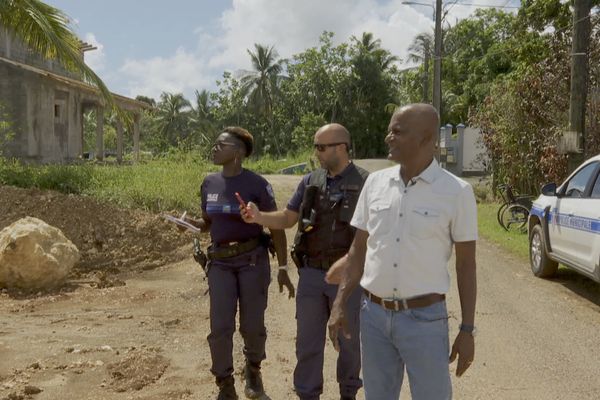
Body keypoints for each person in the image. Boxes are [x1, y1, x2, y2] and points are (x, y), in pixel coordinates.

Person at [328, 104, 477, 400]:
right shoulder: (376, 183)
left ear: (425, 138)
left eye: (397, 131)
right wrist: (341, 301)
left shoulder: (456, 192)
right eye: (389, 130)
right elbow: (359, 249)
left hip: (425, 320)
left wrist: (467, 329)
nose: (388, 137)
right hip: (374, 318)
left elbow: (466, 265)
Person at [240, 123, 368, 400]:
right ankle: (307, 394)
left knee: (348, 342)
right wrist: (259, 217)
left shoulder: (366, 183)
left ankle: (349, 392)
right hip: (311, 274)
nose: (317, 152)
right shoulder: (311, 180)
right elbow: (288, 217)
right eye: (316, 146)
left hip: (349, 277)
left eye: (321, 147)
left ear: (342, 147)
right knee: (307, 342)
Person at [179, 126, 294, 400]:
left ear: (239, 152)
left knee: (252, 325)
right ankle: (225, 384)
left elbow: (276, 227)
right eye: (215, 144)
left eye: (221, 144)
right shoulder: (209, 183)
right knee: (220, 327)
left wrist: (282, 267)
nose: (215, 148)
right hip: (220, 263)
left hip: (252, 261)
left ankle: (253, 371)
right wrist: (190, 225)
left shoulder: (257, 185)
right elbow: (208, 223)